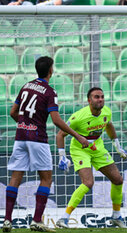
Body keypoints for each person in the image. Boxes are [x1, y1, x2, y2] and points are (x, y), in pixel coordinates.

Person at [2, 56, 89, 233]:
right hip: (38, 139)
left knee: (15, 177)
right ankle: (36, 220)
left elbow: (13, 111)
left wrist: (24, 123)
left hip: (20, 137)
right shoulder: (50, 92)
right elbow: (56, 120)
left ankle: (7, 220)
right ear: (51, 70)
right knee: (46, 178)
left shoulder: (25, 86)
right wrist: (78, 136)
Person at [55, 87, 127, 229]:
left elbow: (109, 125)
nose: (100, 99)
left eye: (102, 96)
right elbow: (60, 134)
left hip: (97, 148)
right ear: (89, 100)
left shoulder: (107, 111)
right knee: (88, 182)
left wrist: (117, 146)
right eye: (96, 97)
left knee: (118, 179)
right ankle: (64, 218)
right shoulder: (78, 117)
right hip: (80, 149)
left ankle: (116, 216)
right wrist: (61, 157)